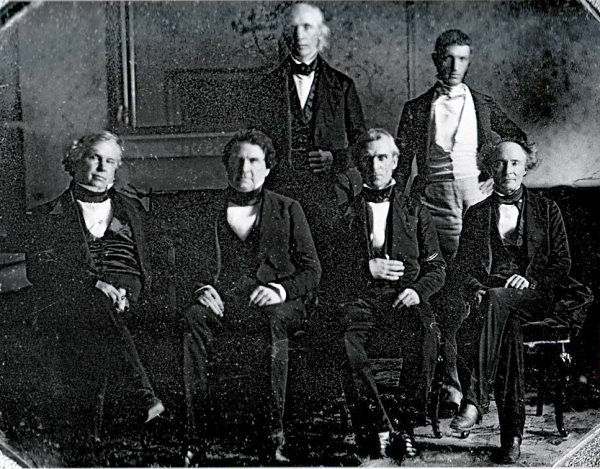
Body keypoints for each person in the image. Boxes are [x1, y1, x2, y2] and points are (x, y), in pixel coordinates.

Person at [396, 29, 528, 411]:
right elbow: (403, 165)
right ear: (436, 59)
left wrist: (491, 176)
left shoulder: (483, 103)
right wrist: (406, 209)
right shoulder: (417, 107)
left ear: (469, 61)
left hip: (473, 205)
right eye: (448, 58)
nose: (454, 66)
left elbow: (516, 141)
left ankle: (464, 384)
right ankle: (435, 383)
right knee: (432, 288)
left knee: (465, 292)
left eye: (462, 59)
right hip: (432, 204)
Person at [182, 129, 321, 465]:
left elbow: (312, 271)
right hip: (226, 301)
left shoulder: (288, 209)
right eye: (238, 160)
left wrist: (279, 290)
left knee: (274, 321)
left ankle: (273, 434)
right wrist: (201, 287)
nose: (245, 168)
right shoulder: (207, 210)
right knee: (192, 319)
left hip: (280, 304)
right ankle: (196, 435)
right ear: (227, 165)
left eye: (254, 161)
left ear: (268, 167)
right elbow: (185, 265)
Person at [25, 131, 164, 435]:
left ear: (117, 168)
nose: (102, 167)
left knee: (100, 318)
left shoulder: (135, 211)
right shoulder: (46, 215)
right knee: (97, 309)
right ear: (75, 161)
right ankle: (142, 395)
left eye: (110, 161)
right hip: (75, 298)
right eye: (94, 158)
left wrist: (128, 291)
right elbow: (40, 271)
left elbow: (151, 264)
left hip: (130, 295)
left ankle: (89, 437)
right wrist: (92, 285)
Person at [449, 140, 571, 463]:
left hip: (534, 297)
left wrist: (531, 280)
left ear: (526, 166)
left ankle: (474, 398)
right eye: (501, 164)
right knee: (508, 328)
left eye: (515, 163)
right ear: (491, 167)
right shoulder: (476, 215)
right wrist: (478, 288)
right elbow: (463, 269)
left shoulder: (547, 210)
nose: (508, 171)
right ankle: (512, 438)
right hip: (495, 302)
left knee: (499, 303)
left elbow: (562, 263)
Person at [338, 129, 445, 459]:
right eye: (368, 158)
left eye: (382, 157)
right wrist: (365, 270)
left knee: (428, 334)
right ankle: (380, 423)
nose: (375, 165)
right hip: (362, 301)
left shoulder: (416, 210)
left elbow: (437, 267)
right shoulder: (344, 214)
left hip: (404, 300)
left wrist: (416, 290)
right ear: (359, 164)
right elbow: (329, 273)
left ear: (395, 161)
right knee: (343, 337)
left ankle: (405, 424)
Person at [254, 2, 365, 288]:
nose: (300, 34)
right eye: (293, 27)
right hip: (280, 189)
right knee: (283, 263)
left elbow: (362, 144)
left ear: (321, 34)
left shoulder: (342, 86)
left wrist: (336, 159)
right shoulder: (265, 86)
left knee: (327, 263)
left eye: (307, 27)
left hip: (327, 193)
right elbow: (253, 141)